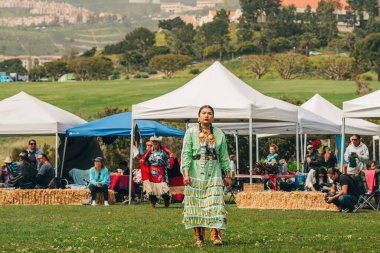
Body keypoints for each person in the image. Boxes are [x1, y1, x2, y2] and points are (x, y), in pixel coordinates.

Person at [181, 105, 231, 246]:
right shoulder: (190, 133)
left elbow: (224, 156)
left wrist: (227, 175)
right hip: (195, 171)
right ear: (199, 117)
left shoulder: (219, 134)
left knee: (215, 203)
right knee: (196, 204)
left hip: (213, 170)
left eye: (209, 113)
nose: (206, 115)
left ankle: (216, 235)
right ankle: (199, 237)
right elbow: (186, 154)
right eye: (203, 113)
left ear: (213, 117)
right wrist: (186, 173)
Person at [139, 136, 174, 208]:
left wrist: (171, 158)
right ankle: (152, 203)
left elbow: (168, 162)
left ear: (159, 143)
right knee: (152, 190)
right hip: (151, 173)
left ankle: (166, 201)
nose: (154, 143)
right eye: (153, 142)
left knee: (163, 190)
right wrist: (143, 162)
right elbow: (145, 161)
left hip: (161, 172)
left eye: (156, 142)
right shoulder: (148, 153)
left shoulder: (163, 152)